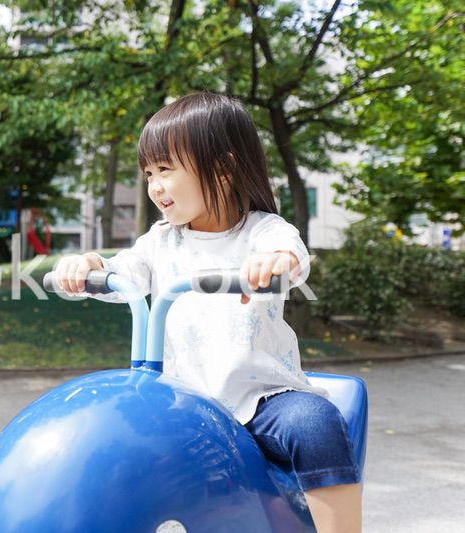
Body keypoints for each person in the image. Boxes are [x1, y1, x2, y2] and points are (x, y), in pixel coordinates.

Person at [54, 92, 362, 533]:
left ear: (222, 168)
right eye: (148, 173)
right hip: (181, 400)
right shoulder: (161, 241)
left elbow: (290, 255)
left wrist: (275, 262)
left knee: (314, 424)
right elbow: (125, 273)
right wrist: (90, 266)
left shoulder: (263, 231)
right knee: (116, 439)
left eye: (166, 170)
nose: (154, 186)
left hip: (260, 400)